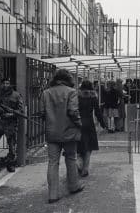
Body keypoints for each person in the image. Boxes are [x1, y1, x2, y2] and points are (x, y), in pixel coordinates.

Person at [40, 69, 84, 203]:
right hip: (69, 132)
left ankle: (53, 194)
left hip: (52, 132)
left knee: (53, 162)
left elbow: (43, 113)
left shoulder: (46, 93)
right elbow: (73, 111)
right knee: (70, 158)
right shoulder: (71, 92)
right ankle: (74, 186)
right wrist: (80, 124)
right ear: (68, 79)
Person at [77, 80, 107, 177]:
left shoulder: (77, 97)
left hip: (78, 123)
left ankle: (79, 163)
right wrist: (103, 124)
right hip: (89, 124)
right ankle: (85, 168)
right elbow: (98, 112)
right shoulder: (93, 97)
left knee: (79, 145)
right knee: (89, 147)